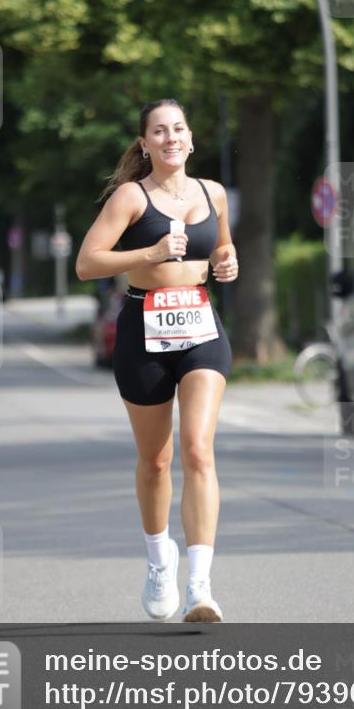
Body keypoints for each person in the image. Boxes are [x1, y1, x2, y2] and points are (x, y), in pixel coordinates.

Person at [76, 99, 239, 622]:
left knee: (197, 450)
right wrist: (150, 254)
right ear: (145, 144)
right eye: (160, 131)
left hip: (200, 326)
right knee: (156, 462)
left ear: (191, 139)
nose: (171, 138)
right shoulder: (131, 196)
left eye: (179, 129)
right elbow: (87, 263)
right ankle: (159, 562)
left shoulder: (213, 193)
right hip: (143, 328)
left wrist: (227, 261)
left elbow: (222, 248)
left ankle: (200, 586)